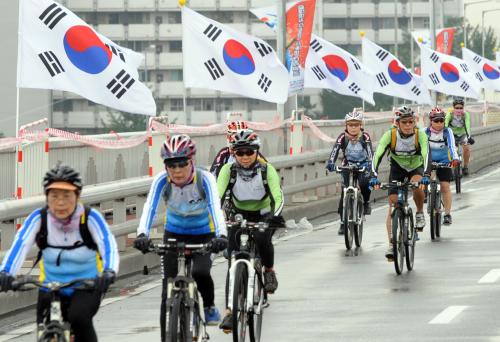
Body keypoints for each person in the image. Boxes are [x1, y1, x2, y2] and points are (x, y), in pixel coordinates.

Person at [0, 164, 119, 342]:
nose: (60, 202)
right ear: (46, 197)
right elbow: (21, 244)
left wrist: (109, 272)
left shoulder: (90, 218)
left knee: (79, 318)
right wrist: (6, 272)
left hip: (86, 284)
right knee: (43, 324)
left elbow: (108, 244)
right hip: (50, 284)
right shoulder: (39, 218)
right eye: (54, 196)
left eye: (67, 196)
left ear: (77, 196)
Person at [133, 134, 228, 339]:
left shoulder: (205, 179)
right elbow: (149, 207)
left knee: (201, 272)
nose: (176, 171)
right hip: (174, 233)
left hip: (204, 233)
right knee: (167, 288)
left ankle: (209, 306)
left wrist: (221, 234)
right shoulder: (162, 180)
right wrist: (142, 234)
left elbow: (215, 207)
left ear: (191, 161)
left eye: (182, 164)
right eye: (171, 165)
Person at [216, 128, 284, 332]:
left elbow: (278, 196)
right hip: (238, 214)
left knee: (263, 239)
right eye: (240, 152)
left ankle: (269, 271)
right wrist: (216, 219)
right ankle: (230, 311)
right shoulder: (228, 170)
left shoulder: (266, 169)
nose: (245, 157)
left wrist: (275, 217)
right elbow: (217, 196)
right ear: (233, 153)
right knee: (233, 257)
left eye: (249, 152)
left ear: (256, 151)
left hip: (263, 214)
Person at [369, 106, 431, 260]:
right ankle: (391, 243)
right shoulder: (390, 135)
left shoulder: (420, 135)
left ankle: (419, 212)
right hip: (397, 168)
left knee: (417, 184)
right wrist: (373, 176)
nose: (408, 125)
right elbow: (377, 155)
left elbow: (426, 154)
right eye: (405, 122)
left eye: (411, 122)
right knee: (392, 204)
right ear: (397, 123)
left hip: (415, 166)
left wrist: (427, 174)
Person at [326, 109, 374, 235]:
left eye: (356, 125)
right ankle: (343, 222)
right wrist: (331, 163)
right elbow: (335, 150)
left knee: (364, 184)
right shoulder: (342, 137)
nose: (353, 128)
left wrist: (371, 165)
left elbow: (370, 153)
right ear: (346, 125)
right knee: (344, 191)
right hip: (348, 165)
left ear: (361, 125)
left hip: (363, 164)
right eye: (350, 125)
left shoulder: (365, 136)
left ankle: (366, 202)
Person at [425, 107, 460, 225]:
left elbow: (452, 146)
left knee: (445, 186)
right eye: (436, 121)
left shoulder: (447, 131)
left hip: (444, 161)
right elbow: (420, 149)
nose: (439, 123)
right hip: (428, 161)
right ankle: (428, 194)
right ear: (431, 121)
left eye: (441, 120)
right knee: (425, 179)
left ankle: (447, 214)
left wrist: (455, 158)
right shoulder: (425, 132)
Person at [445, 98, 475, 176]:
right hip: (452, 134)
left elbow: (467, 126)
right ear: (453, 108)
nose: (459, 109)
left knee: (467, 148)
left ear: (463, 108)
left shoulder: (465, 115)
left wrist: (469, 136)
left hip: (462, 134)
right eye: (457, 108)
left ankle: (465, 167)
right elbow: (445, 125)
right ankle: (451, 168)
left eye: (461, 108)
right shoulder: (449, 114)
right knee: (452, 150)